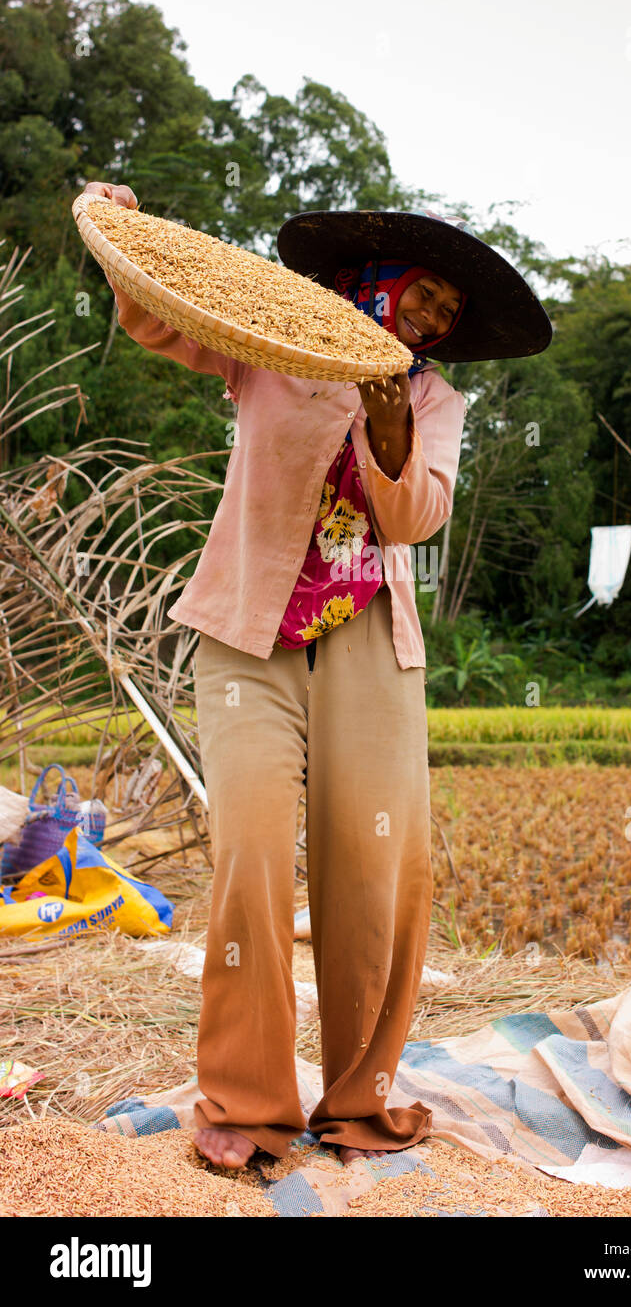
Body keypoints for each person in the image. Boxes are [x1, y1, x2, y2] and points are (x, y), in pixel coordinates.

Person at [81, 182, 552, 1168]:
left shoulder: (432, 399)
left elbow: (414, 519)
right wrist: (117, 233)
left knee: (372, 872)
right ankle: (246, 1105)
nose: (426, 321)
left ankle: (356, 1101)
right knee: (250, 851)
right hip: (250, 626)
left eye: (444, 317)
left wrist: (389, 428)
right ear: (376, 280)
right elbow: (165, 321)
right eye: (421, 296)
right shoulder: (273, 343)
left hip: (370, 642)